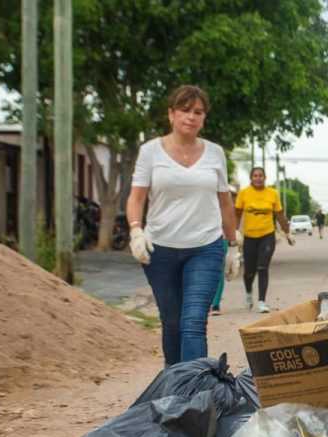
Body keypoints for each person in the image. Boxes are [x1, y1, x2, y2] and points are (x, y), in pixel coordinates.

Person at [126, 85, 240, 367]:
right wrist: (136, 230)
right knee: (173, 323)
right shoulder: (151, 152)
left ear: (204, 118)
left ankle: (194, 392)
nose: (191, 117)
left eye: (198, 112)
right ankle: (174, 384)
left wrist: (233, 246)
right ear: (171, 114)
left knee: (193, 321)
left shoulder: (215, 153)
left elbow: (225, 203)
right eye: (184, 110)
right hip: (160, 249)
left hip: (206, 247)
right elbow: (136, 197)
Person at [235, 166, 294, 313]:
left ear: (265, 177)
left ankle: (262, 301)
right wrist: (235, 232)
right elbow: (236, 214)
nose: (258, 178)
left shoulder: (272, 194)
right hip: (249, 237)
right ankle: (249, 293)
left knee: (262, 267)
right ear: (251, 178)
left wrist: (288, 232)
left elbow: (280, 215)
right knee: (249, 272)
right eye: (255, 175)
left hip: (267, 236)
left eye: (260, 175)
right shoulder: (244, 193)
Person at [210, 185, 240, 315]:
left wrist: (233, 247)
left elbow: (230, 221)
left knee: (219, 271)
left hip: (221, 239)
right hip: (201, 239)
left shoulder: (225, 204)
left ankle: (215, 304)